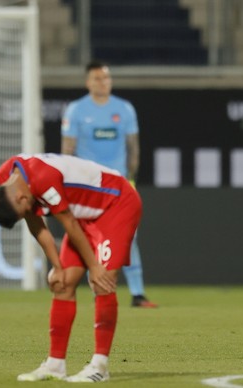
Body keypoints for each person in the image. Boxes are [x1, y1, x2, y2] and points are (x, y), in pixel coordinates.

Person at [0, 153, 142, 382]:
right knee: (63, 283)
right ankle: (55, 364)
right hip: (84, 217)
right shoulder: (7, 175)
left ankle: (100, 366)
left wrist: (94, 267)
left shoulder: (42, 178)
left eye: (24, 208)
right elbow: (36, 225)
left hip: (116, 204)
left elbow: (67, 221)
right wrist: (57, 266)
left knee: (102, 280)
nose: (27, 211)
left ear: (20, 198)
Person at [61, 60, 156, 308]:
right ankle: (86, 288)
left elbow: (133, 148)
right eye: (97, 78)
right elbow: (67, 150)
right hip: (87, 186)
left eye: (106, 78)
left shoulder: (124, 109)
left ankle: (137, 293)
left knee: (128, 237)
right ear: (87, 82)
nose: (103, 82)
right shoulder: (76, 110)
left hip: (119, 185)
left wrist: (131, 179)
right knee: (85, 236)